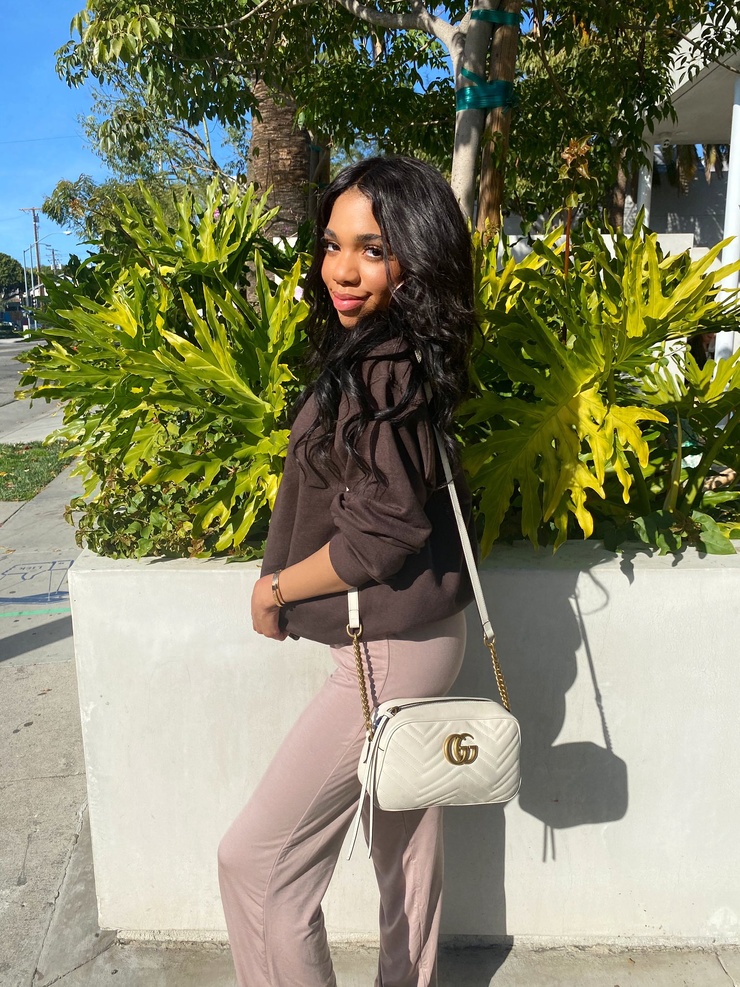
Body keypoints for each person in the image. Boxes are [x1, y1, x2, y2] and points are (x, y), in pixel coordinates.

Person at [218, 156, 478, 987]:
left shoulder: (377, 370)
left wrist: (275, 590)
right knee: (405, 855)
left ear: (415, 256)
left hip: (388, 653)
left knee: (258, 866)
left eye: (372, 249)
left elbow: (383, 531)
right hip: (429, 635)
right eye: (333, 244)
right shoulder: (408, 354)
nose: (341, 269)